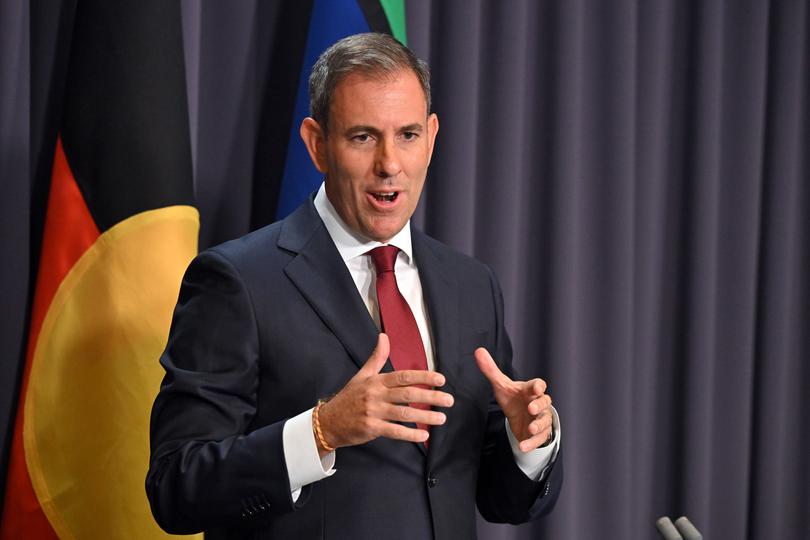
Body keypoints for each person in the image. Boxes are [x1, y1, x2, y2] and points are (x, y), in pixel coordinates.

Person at [146, 33, 562, 540]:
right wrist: (321, 431)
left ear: (432, 137)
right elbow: (176, 487)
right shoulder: (238, 281)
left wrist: (528, 442)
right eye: (364, 137)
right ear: (317, 144)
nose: (390, 164)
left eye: (408, 135)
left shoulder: (471, 284)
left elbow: (494, 499)